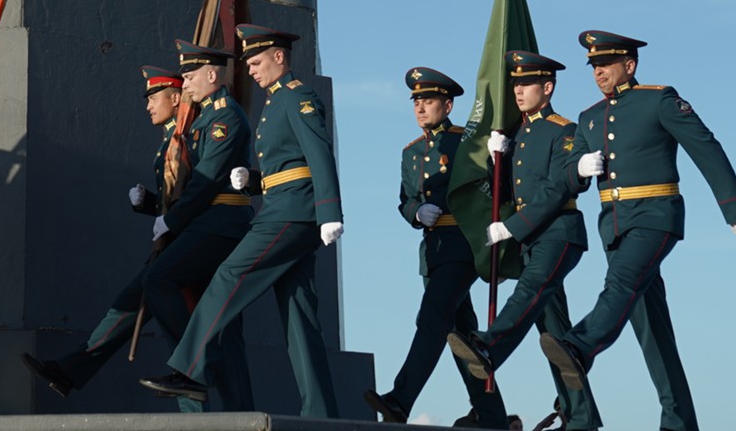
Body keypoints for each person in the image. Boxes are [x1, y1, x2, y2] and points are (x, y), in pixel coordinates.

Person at [538, 31, 736, 431]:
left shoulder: (659, 100)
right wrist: (580, 169)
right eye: (594, 67)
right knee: (653, 334)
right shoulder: (588, 118)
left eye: (606, 64)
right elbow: (566, 174)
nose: (599, 72)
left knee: (618, 284)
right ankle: (680, 423)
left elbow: (705, 147)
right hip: (614, 226)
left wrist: (734, 208)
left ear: (630, 65)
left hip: (655, 216)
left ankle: (579, 345)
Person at [141, 25, 342, 417]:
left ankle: (189, 369)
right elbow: (287, 165)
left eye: (256, 62)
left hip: (292, 214)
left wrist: (331, 209)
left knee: (229, 276)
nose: (249, 70)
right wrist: (252, 181)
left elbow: (319, 154)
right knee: (299, 316)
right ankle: (320, 414)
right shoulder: (276, 102)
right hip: (286, 208)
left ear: (279, 57)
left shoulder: (298, 97)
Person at [446, 50, 600, 430]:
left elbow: (555, 189)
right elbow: (505, 190)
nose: (518, 90)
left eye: (527, 83)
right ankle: (580, 417)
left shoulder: (564, 130)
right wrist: (497, 159)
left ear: (547, 88)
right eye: (515, 83)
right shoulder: (517, 133)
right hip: (531, 239)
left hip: (559, 232)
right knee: (555, 334)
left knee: (529, 292)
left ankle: (489, 346)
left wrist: (513, 227)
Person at [19, 64, 184, 398]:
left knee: (183, 330)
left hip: (186, 245)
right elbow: (176, 196)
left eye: (155, 98)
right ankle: (69, 370)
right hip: (169, 243)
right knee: (124, 309)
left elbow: (198, 192)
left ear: (177, 98)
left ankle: (189, 376)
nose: (148, 106)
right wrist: (150, 204)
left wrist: (170, 218)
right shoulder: (170, 140)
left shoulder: (186, 138)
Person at [364, 67, 508, 428]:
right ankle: (492, 417)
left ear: (447, 104)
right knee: (461, 337)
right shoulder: (411, 152)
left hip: (462, 246)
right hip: (433, 252)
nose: (420, 108)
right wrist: (416, 212)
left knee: (430, 319)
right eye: (416, 102)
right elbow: (405, 200)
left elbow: (493, 185)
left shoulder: (465, 141)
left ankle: (400, 400)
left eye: (428, 101)